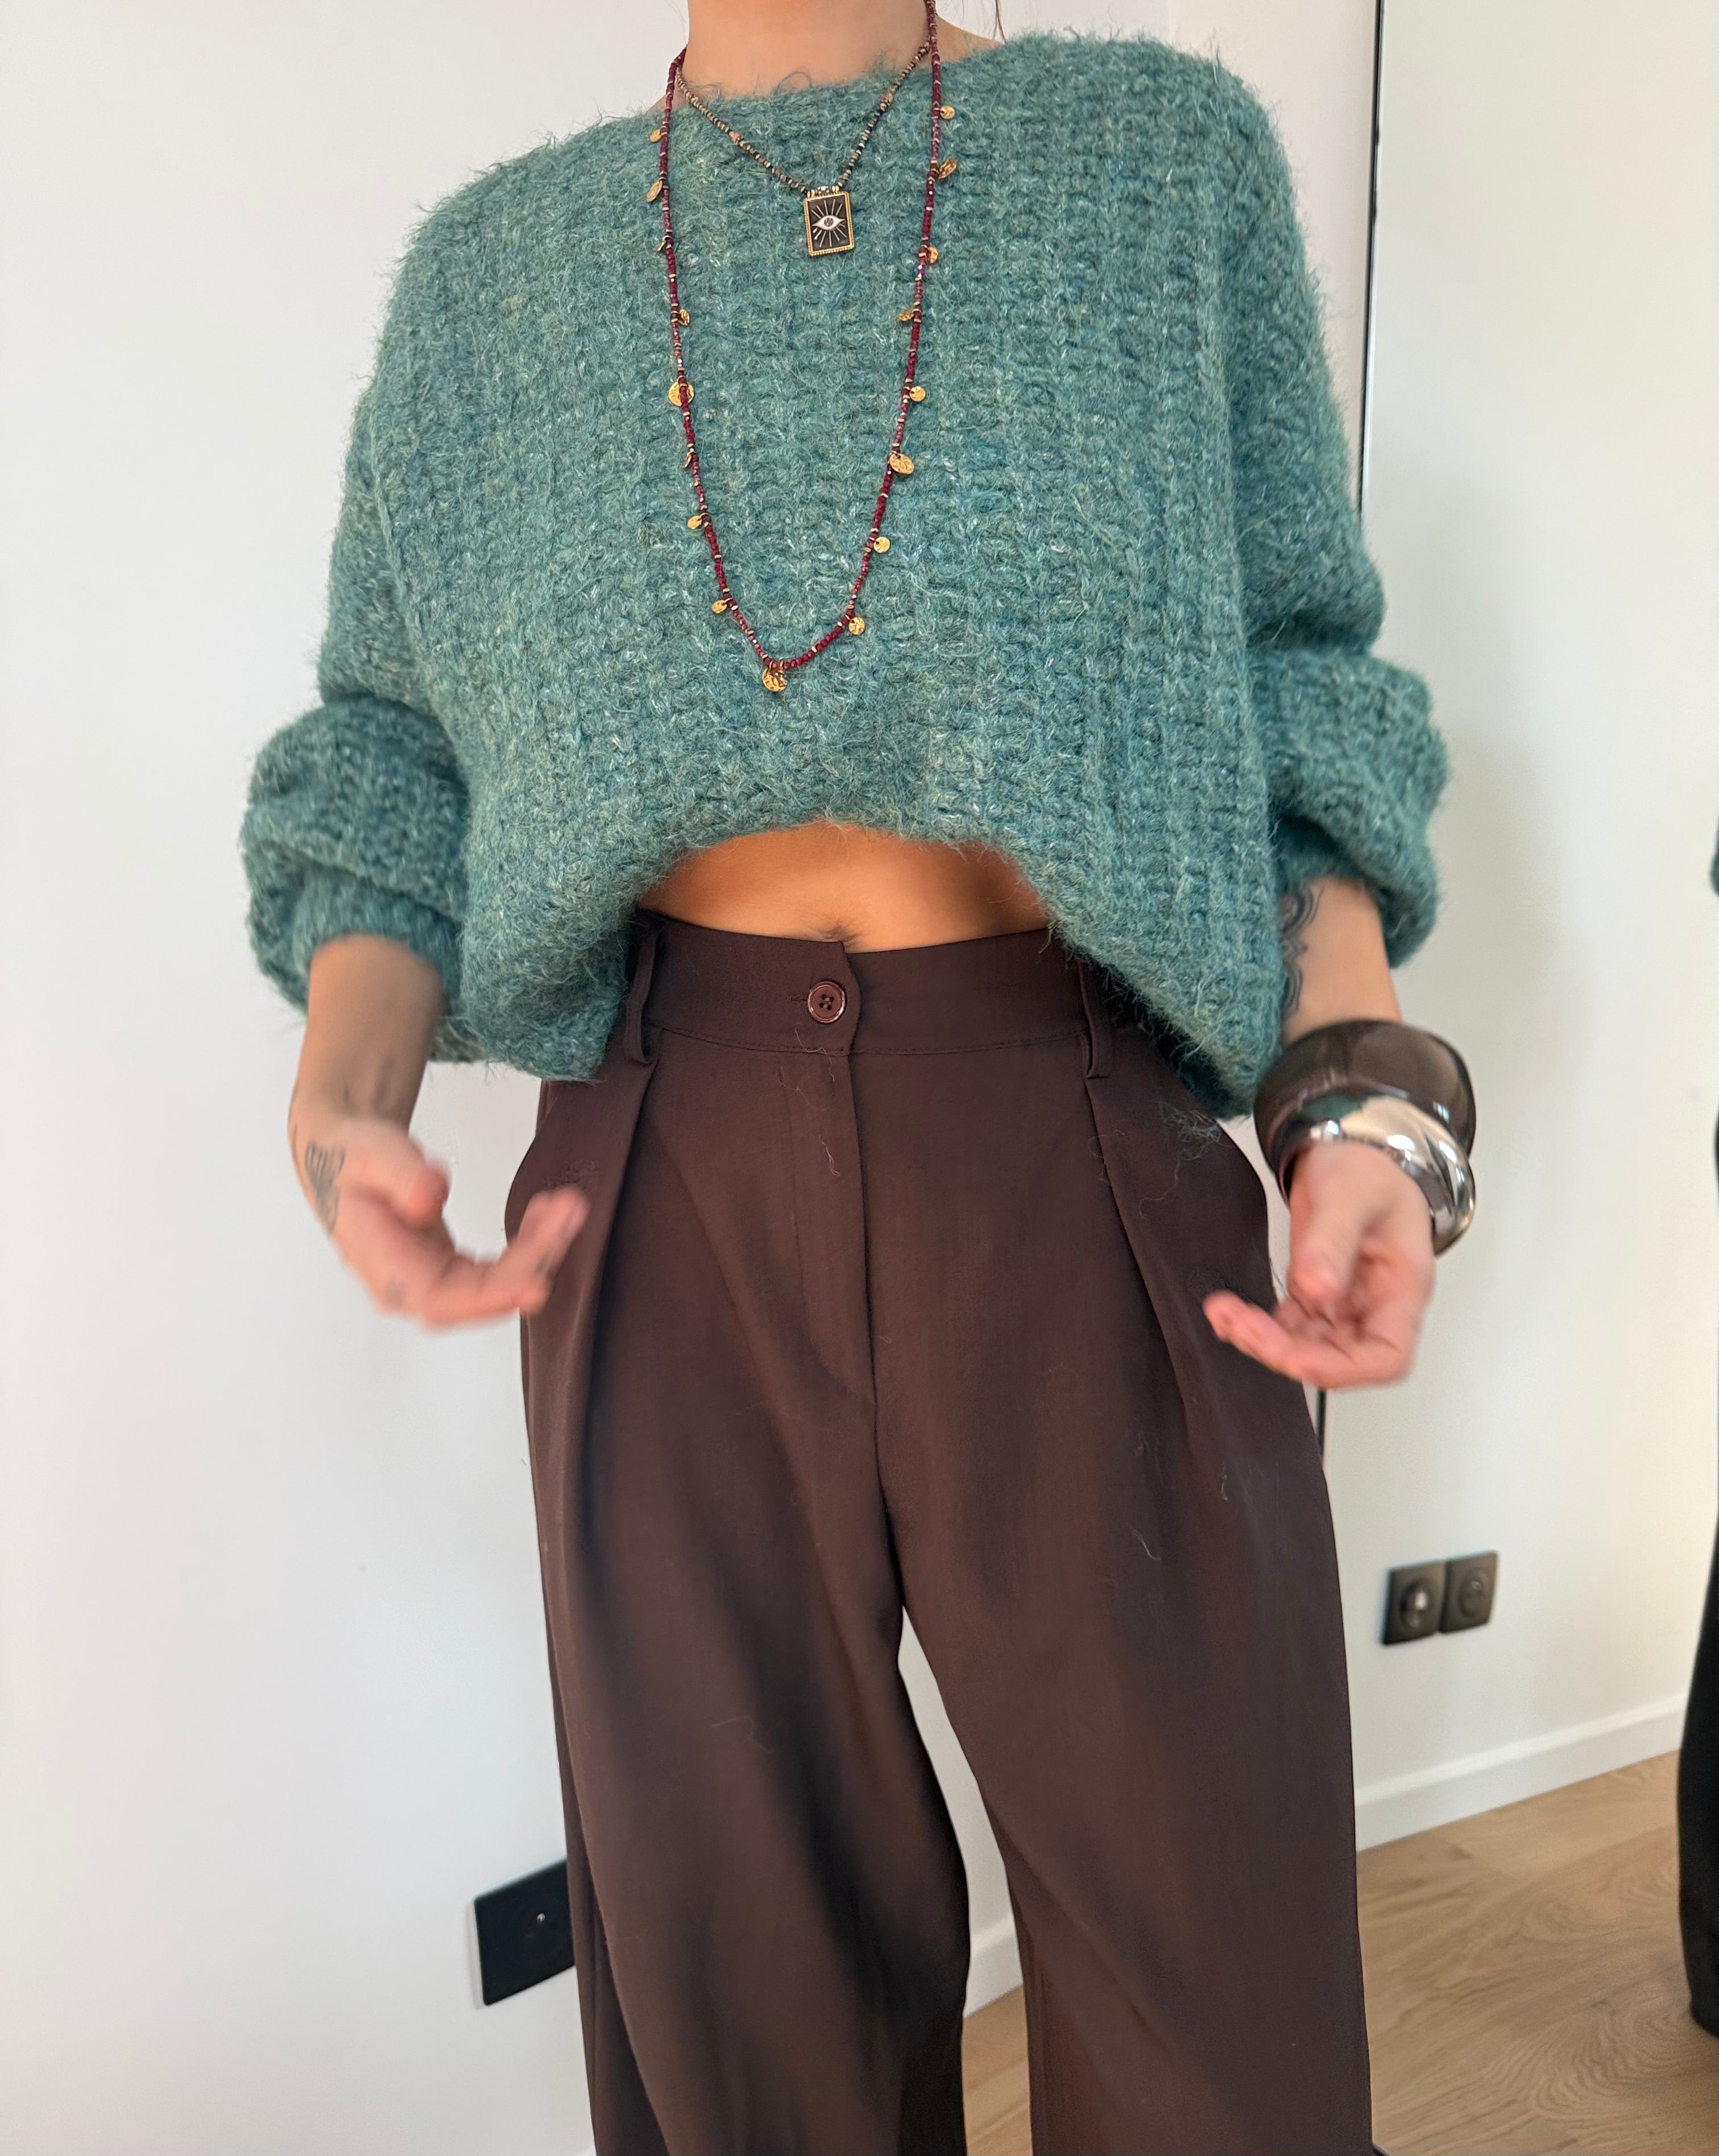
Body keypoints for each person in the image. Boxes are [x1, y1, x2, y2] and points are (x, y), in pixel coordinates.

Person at [241, 5, 1475, 2149]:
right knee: (742, 2008)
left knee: (1222, 2021)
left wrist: (1352, 1100)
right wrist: (349, 1098)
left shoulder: (1154, 166)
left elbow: (1292, 694)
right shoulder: (488, 287)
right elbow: (388, 770)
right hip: (658, 1183)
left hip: (1077, 1145)